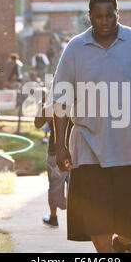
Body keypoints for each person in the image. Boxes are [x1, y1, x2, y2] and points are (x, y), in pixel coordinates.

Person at [52, 0, 131, 253]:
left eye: (110, 16)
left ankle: (125, 242)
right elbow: (61, 101)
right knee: (97, 214)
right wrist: (60, 145)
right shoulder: (75, 48)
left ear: (118, 14)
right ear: (90, 17)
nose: (104, 21)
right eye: (98, 17)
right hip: (89, 146)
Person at [34, 91, 73, 228]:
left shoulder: (52, 105)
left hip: (56, 152)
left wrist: (42, 105)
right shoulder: (79, 102)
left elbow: (37, 123)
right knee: (75, 186)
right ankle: (76, 217)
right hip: (76, 152)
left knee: (55, 185)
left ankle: (53, 217)